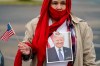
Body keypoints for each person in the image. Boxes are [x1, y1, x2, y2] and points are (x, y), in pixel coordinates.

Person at [14, 0, 96, 66]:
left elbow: (89, 59)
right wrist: (28, 50)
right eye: (55, 3)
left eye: (63, 3)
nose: (59, 7)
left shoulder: (81, 26)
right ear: (48, 3)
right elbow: (28, 48)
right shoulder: (35, 24)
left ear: (68, 4)